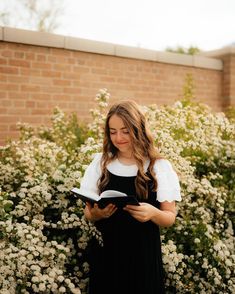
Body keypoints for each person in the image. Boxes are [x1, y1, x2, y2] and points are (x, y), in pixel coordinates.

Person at [80, 100, 181, 294]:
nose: (118, 137)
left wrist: (152, 213)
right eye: (113, 131)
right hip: (107, 256)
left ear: (138, 129)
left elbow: (169, 217)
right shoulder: (99, 163)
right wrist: (97, 215)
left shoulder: (158, 166)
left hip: (143, 258)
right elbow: (88, 212)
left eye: (125, 131)